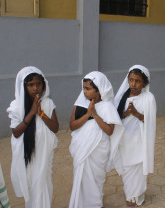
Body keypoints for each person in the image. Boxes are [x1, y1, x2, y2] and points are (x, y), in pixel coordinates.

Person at [69, 71, 123, 208]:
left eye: (88, 89)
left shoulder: (107, 107)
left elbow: (110, 131)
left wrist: (95, 115)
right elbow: (72, 125)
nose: (84, 92)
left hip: (98, 150)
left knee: (95, 181)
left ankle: (94, 204)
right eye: (84, 88)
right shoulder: (80, 104)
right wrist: (88, 114)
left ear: (99, 91)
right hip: (81, 148)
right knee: (81, 178)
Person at [7, 66, 59, 207]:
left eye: (38, 84)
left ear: (44, 84)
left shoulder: (47, 103)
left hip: (44, 155)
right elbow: (16, 132)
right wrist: (31, 112)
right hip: (28, 157)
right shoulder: (16, 106)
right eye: (30, 85)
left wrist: (41, 113)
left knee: (43, 185)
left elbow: (55, 128)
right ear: (24, 86)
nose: (35, 88)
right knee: (32, 186)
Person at [114, 65, 156, 206]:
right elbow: (115, 117)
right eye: (131, 80)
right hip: (125, 139)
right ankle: (129, 193)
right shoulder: (121, 97)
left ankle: (136, 195)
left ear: (144, 83)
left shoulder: (148, 98)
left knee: (137, 165)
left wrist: (136, 114)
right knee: (127, 167)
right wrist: (126, 113)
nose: (133, 84)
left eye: (137, 81)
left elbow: (150, 120)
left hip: (139, 139)